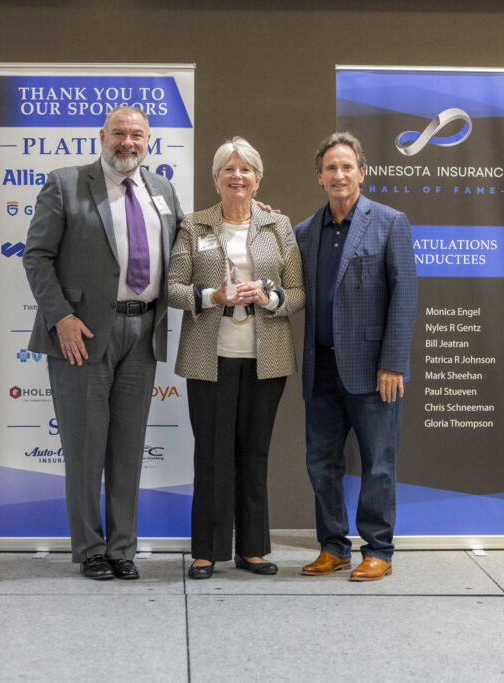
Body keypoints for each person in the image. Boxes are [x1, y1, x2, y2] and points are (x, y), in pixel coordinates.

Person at [23, 106, 183, 581]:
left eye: (137, 134)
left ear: (148, 140)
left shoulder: (163, 190)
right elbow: (36, 256)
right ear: (102, 136)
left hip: (143, 332)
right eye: (119, 133)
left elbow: (191, 247)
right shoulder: (65, 183)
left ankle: (122, 548)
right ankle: (90, 549)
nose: (127, 142)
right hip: (83, 335)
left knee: (127, 448)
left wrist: (253, 214)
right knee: (85, 447)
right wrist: (63, 319)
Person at [168, 137, 304, 579]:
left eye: (245, 169)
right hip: (210, 356)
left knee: (254, 453)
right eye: (229, 169)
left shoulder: (278, 226)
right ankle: (206, 550)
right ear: (216, 178)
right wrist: (213, 295)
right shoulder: (194, 225)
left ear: (258, 178)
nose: (237, 176)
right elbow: (172, 286)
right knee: (211, 454)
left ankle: (253, 548)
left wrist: (270, 296)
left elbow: (298, 292)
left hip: (266, 358)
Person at [293, 132, 417, 581]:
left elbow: (405, 295)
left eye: (347, 167)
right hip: (320, 367)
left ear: (362, 173)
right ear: (319, 176)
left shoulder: (390, 221)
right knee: (321, 463)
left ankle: (378, 549)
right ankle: (333, 547)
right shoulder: (304, 232)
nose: (339, 174)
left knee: (378, 463)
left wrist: (394, 363)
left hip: (374, 370)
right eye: (331, 168)